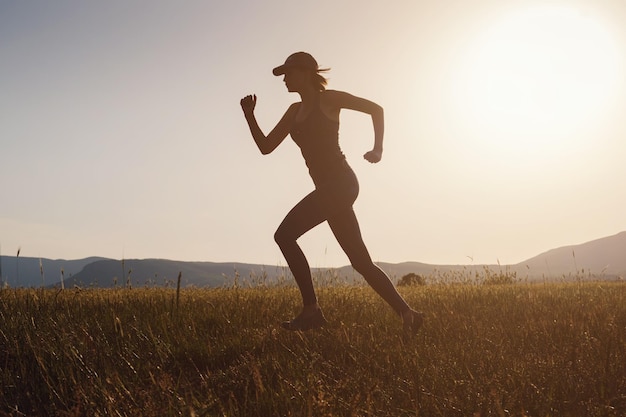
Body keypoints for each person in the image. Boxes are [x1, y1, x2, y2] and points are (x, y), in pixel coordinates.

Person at [240, 52, 423, 335]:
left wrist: (378, 149)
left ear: (304, 72)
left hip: (341, 183)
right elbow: (265, 146)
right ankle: (408, 313)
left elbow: (376, 109)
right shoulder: (292, 112)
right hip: (329, 190)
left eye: (288, 73)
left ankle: (311, 311)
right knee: (361, 262)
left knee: (284, 235)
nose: (285, 79)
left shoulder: (330, 99)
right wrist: (250, 116)